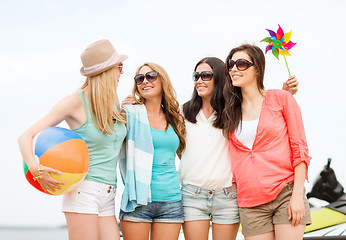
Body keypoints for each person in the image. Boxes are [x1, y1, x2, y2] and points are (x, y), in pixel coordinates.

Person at [18, 39, 127, 240]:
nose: (122, 72)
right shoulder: (75, 102)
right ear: (106, 71)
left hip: (110, 193)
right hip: (83, 192)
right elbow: (25, 136)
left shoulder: (113, 101)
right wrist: (36, 170)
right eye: (119, 67)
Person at [179, 57, 299, 240]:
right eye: (196, 76)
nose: (199, 80)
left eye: (205, 75)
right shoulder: (183, 113)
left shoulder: (233, 112)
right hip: (192, 195)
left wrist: (285, 93)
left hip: (227, 195)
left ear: (219, 78)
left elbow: (261, 113)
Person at [222, 44, 311, 240]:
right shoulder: (229, 110)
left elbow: (299, 148)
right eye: (231, 63)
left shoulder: (281, 98)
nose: (234, 68)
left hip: (285, 193)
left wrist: (297, 196)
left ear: (257, 70)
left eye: (242, 63)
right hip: (250, 200)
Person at [119, 62, 186, 240]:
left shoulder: (176, 118)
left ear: (162, 80)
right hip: (138, 201)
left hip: (171, 200)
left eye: (151, 76)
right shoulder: (130, 114)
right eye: (139, 78)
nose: (144, 81)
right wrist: (119, 112)